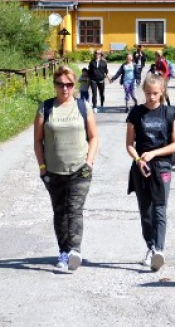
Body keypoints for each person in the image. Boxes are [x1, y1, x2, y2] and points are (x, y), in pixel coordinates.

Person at [34, 65, 99, 272]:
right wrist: (42, 167)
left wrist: (89, 162)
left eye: (69, 84)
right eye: (60, 84)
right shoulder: (45, 108)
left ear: (74, 85)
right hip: (53, 171)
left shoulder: (83, 106)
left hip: (80, 169)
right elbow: (38, 141)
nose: (65, 89)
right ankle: (63, 252)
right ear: (54, 85)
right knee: (60, 212)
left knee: (75, 210)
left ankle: (75, 251)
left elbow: (93, 137)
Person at [125, 74, 175, 272]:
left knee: (160, 208)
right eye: (148, 93)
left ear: (162, 92)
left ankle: (159, 250)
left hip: (162, 166)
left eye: (155, 93)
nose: (151, 97)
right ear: (143, 92)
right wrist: (138, 160)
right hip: (141, 167)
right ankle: (151, 246)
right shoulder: (136, 113)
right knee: (146, 211)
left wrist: (154, 153)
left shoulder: (169, 114)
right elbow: (129, 145)